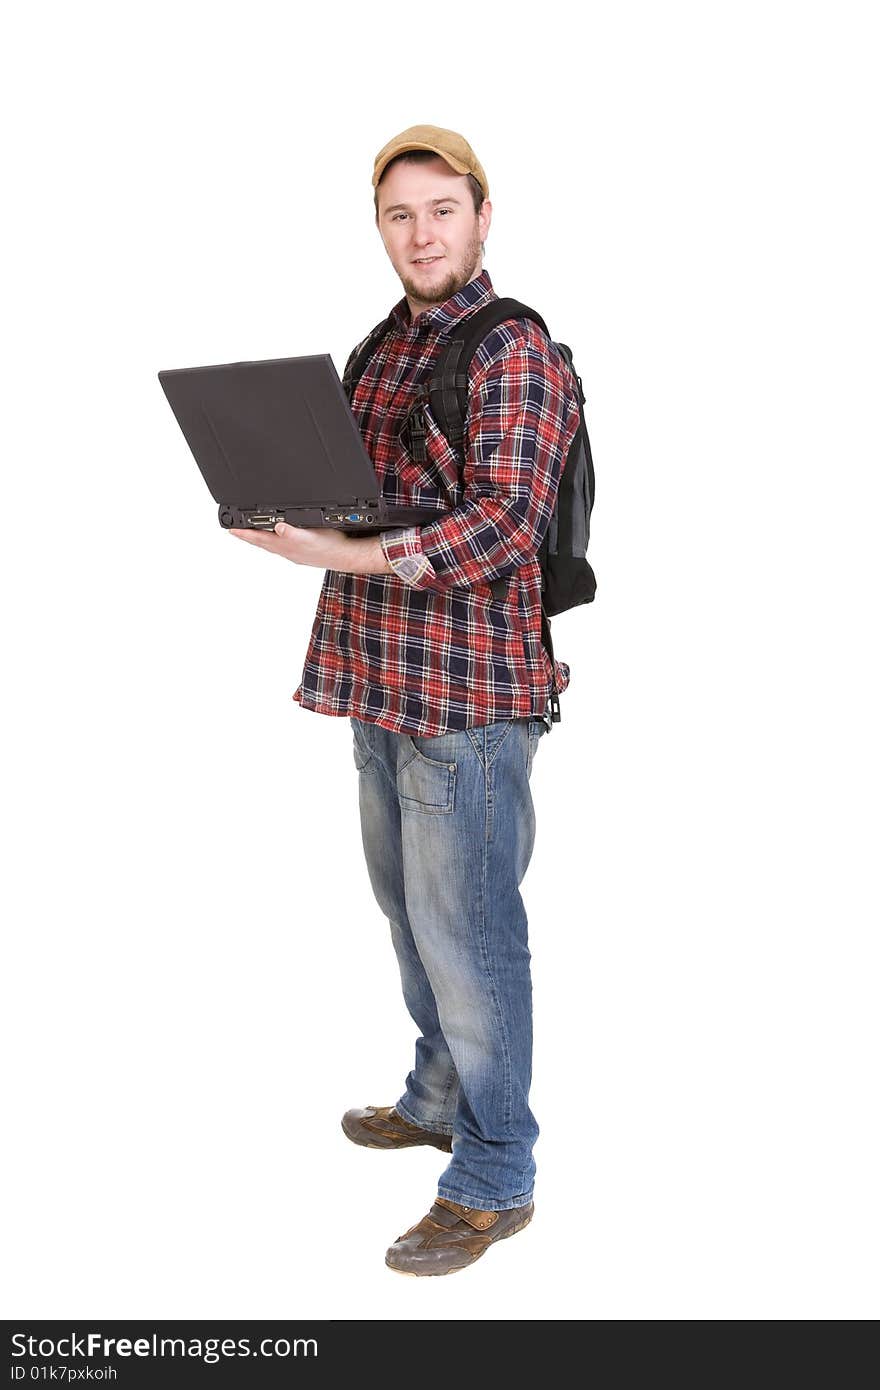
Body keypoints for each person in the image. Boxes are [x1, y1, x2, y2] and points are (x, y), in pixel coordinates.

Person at [229, 124, 581, 1276]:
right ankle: (435, 1094)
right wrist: (271, 502)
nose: (420, 233)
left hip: (469, 702)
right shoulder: (385, 342)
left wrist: (334, 555)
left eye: (441, 209)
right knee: (407, 913)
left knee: (472, 937)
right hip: (382, 679)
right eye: (398, 214)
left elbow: (503, 525)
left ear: (483, 217)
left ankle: (493, 1173)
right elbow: (359, 497)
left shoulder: (509, 348)